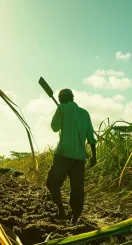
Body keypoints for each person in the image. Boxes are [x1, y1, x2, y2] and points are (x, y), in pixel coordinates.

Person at [45, 88, 97, 223]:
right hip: (79, 159)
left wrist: (60, 110)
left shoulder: (61, 108)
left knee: (52, 183)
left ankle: (61, 211)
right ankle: (74, 218)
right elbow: (91, 136)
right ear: (72, 98)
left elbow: (54, 127)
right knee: (77, 190)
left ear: (62, 98)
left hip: (63, 155)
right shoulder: (85, 113)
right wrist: (94, 155)